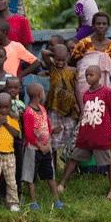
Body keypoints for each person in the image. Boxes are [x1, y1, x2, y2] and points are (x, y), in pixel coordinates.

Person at [58, 66, 111, 201]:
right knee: (74, 157)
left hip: (101, 134)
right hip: (86, 134)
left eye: (91, 75)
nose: (88, 78)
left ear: (99, 76)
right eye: (86, 75)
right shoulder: (86, 94)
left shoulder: (107, 92)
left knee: (108, 162)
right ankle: (62, 184)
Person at [21, 84, 62, 210]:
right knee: (31, 175)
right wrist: (39, 145)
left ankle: (57, 201)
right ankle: (33, 202)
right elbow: (28, 133)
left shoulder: (42, 109)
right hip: (33, 149)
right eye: (43, 92)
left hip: (46, 147)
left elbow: (47, 126)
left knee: (50, 174)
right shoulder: (28, 112)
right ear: (39, 94)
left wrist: (52, 133)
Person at [42, 44, 79, 172]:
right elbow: (44, 54)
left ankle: (71, 168)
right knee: (53, 139)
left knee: (70, 138)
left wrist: (81, 106)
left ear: (68, 57)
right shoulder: (52, 68)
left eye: (63, 60)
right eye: (58, 60)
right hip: (54, 107)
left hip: (69, 109)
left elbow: (77, 89)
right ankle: (52, 168)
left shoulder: (73, 71)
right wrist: (55, 53)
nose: (60, 62)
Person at [71, 12, 111, 96]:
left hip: (104, 83)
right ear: (93, 26)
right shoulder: (84, 43)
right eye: (98, 23)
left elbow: (110, 67)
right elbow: (73, 60)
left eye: (104, 24)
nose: (101, 26)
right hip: (84, 81)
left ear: (108, 27)